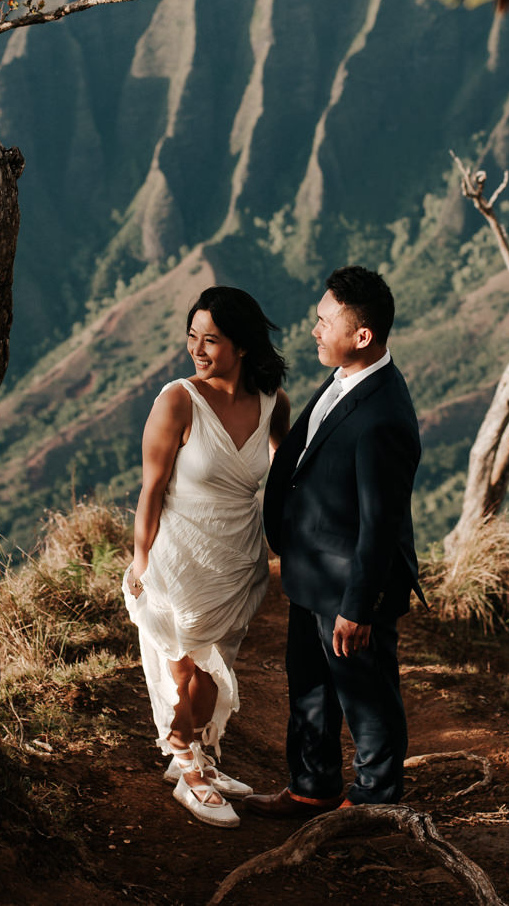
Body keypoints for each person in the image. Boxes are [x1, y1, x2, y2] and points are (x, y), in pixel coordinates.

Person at [244, 266, 423, 816]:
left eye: (325, 322)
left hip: (350, 589)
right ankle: (311, 787)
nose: (314, 330)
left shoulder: (385, 415)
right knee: (311, 690)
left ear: (362, 336)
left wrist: (357, 607)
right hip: (312, 574)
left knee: (366, 696)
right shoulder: (347, 374)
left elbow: (381, 524)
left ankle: (375, 801)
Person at [124, 285, 290, 828]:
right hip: (179, 556)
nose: (198, 348)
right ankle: (185, 764)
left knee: (217, 669)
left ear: (241, 346)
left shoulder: (273, 402)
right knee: (185, 668)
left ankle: (198, 755)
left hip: (239, 558)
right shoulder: (177, 399)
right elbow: (151, 488)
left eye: (211, 340)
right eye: (192, 336)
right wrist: (141, 558)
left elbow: (287, 476)